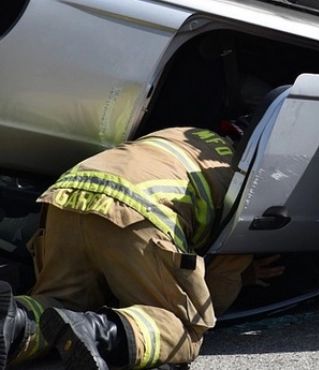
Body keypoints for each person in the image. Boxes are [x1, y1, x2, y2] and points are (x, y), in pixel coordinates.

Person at [0, 127, 284, 370]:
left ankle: (14, 323)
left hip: (67, 198)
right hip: (134, 213)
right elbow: (212, 299)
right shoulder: (246, 182)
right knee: (184, 331)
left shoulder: (189, 135)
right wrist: (241, 277)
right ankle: (98, 331)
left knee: (62, 303)